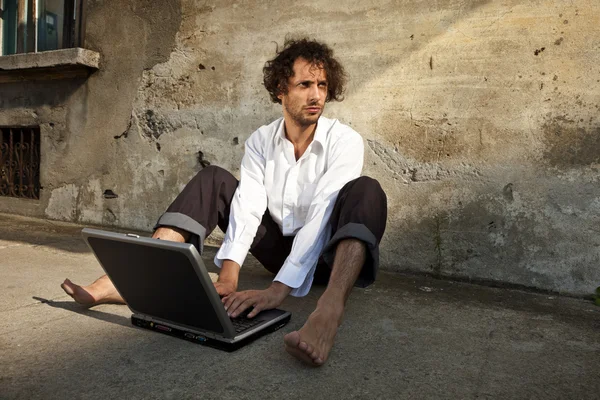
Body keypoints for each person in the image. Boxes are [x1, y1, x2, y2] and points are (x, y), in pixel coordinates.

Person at [61, 38, 387, 366]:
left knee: (367, 191)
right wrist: (228, 277)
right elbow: (248, 204)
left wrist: (277, 290)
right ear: (280, 90)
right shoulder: (261, 140)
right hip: (277, 249)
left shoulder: (345, 141)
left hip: (328, 260)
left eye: (322, 85)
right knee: (214, 178)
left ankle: (328, 313)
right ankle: (137, 280)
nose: (316, 95)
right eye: (304, 84)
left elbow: (321, 214)